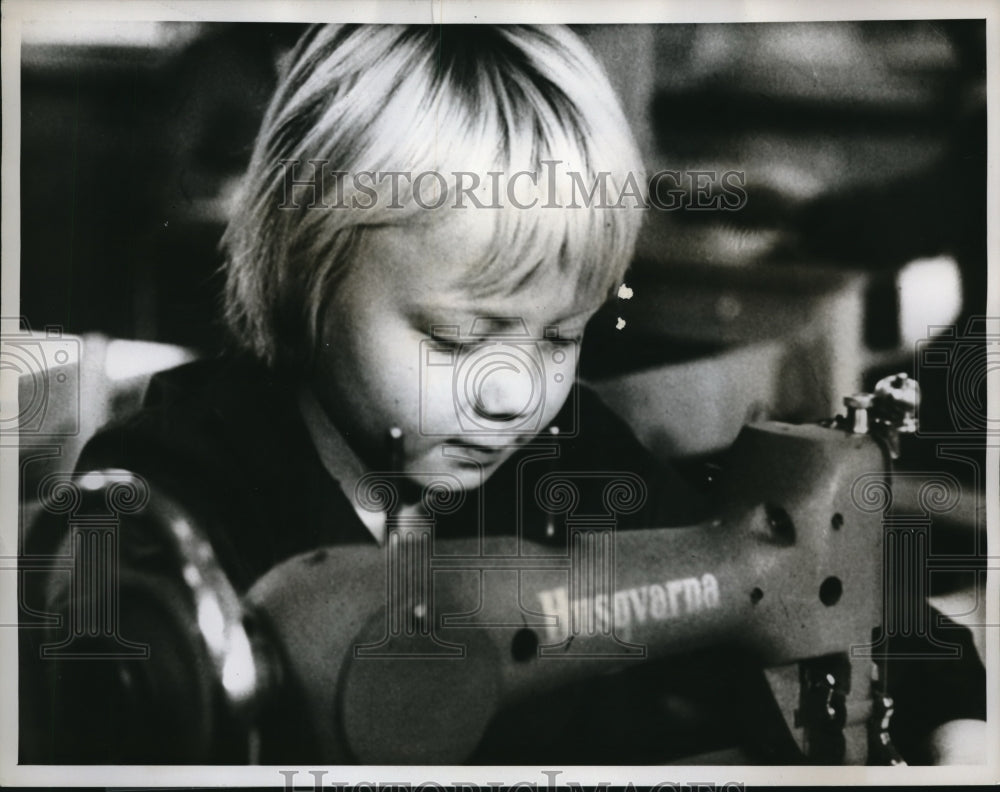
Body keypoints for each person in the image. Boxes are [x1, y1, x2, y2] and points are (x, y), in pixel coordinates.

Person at [24, 23, 983, 765]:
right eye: (457, 337)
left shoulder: (573, 454)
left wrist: (954, 728)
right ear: (300, 277)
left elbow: (814, 613)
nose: (516, 391)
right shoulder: (166, 507)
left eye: (562, 336)